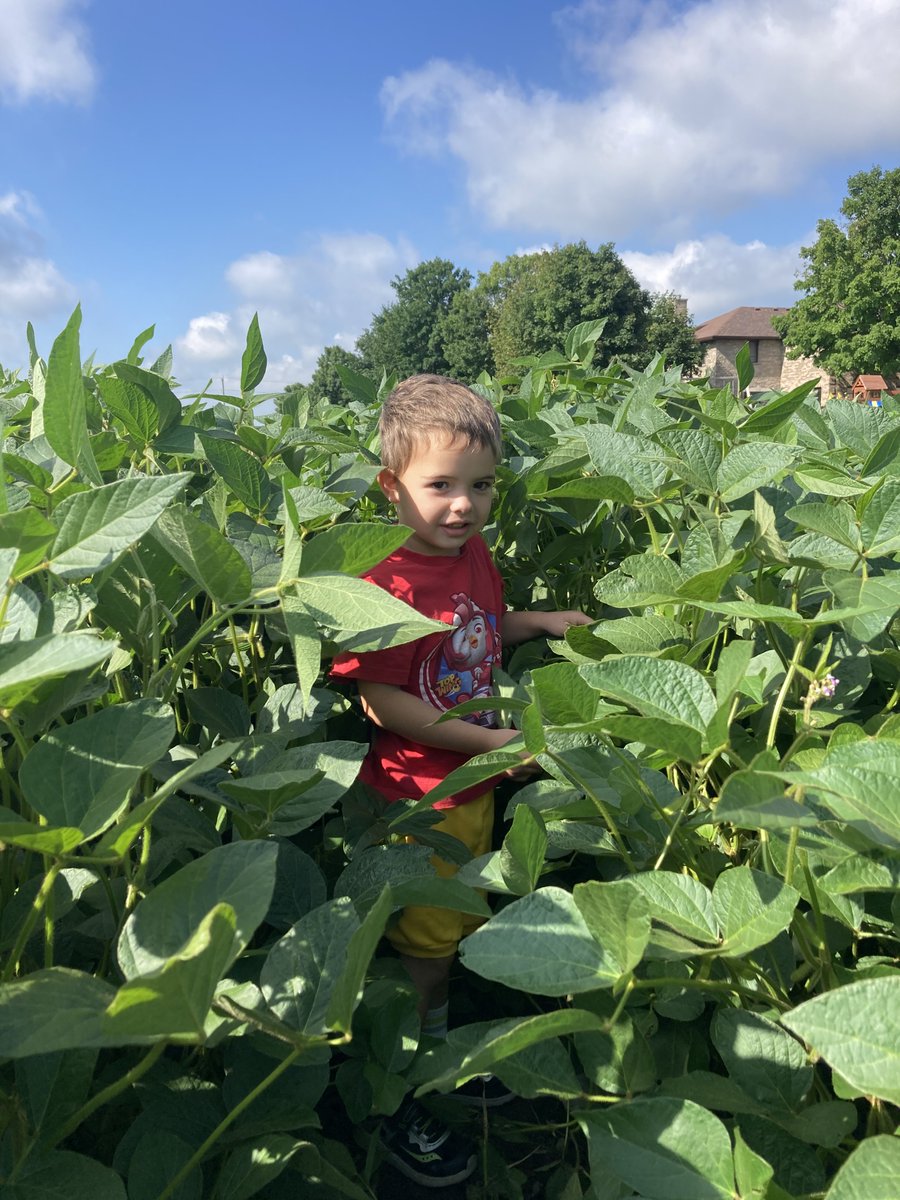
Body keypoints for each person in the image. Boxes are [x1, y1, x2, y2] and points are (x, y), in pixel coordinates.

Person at [331, 373, 591, 1187]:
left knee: (451, 926)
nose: (463, 505)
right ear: (392, 487)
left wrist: (537, 623)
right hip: (417, 795)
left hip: (472, 785)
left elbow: (474, 637)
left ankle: (435, 1046)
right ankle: (413, 1076)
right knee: (425, 949)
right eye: (439, 485)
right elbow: (382, 703)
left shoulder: (471, 556)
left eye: (480, 486)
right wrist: (484, 743)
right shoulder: (384, 584)